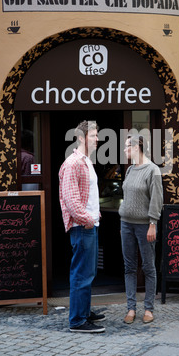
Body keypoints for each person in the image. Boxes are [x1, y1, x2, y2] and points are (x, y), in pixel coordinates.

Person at [59, 120, 105, 333]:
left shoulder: (86, 161)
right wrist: (87, 220)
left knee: (89, 272)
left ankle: (84, 311)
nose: (97, 139)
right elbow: (71, 199)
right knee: (81, 273)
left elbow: (87, 197)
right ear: (81, 137)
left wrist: (95, 215)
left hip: (89, 224)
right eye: (94, 135)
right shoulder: (73, 163)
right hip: (82, 226)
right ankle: (77, 320)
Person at [119, 135, 163, 324]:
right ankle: (131, 308)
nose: (124, 150)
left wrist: (153, 223)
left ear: (137, 148)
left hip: (145, 225)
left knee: (148, 267)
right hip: (126, 224)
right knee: (129, 267)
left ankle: (148, 308)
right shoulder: (130, 170)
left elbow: (156, 199)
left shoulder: (152, 170)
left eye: (127, 146)